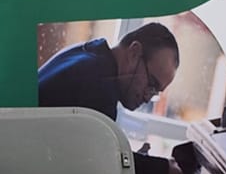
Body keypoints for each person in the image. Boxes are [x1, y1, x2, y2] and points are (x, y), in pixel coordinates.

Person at [36, 22, 179, 117]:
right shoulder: (99, 84)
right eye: (151, 84)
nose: (147, 98)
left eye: (155, 92)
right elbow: (102, 159)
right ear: (134, 53)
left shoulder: (91, 53)